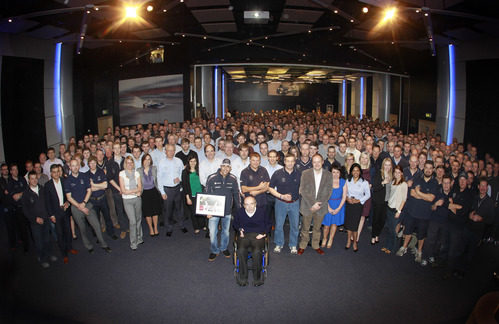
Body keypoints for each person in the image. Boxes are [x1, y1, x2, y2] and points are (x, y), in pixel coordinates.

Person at [64, 159, 111, 254]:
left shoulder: (84, 176)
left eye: (76, 165)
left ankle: (104, 244)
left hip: (88, 204)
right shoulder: (67, 180)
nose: (75, 167)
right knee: (82, 228)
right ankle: (88, 246)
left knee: (97, 225)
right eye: (73, 166)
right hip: (76, 208)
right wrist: (80, 206)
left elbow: (89, 190)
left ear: (79, 166)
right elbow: (69, 197)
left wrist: (84, 203)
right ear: (70, 167)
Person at [396, 160, 438, 263]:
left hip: (424, 215)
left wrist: (419, 192)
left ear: (433, 169)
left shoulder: (434, 182)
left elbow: (431, 198)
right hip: (412, 211)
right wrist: (423, 195)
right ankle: (404, 247)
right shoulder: (417, 179)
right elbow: (412, 193)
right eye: (426, 167)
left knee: (421, 235)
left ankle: (419, 252)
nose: (428, 170)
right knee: (408, 231)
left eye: (430, 168)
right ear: (423, 168)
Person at [205, 158, 241, 261]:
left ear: (230, 168)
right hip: (213, 211)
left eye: (228, 166)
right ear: (220, 166)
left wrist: (239, 210)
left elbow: (236, 194)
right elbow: (206, 194)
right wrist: (207, 211)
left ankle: (224, 248)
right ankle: (214, 250)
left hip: (227, 211)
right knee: (212, 232)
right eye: (223, 166)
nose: (225, 168)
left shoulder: (233, 179)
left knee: (225, 232)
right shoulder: (211, 178)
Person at [297, 154, 333, 255]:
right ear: (312, 163)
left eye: (319, 161)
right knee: (305, 227)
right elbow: (303, 190)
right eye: (314, 162)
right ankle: (303, 245)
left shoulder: (328, 175)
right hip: (307, 205)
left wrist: (318, 204)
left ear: (322, 162)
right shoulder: (305, 173)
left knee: (317, 228)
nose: (317, 164)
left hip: (321, 206)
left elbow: (328, 191)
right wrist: (313, 204)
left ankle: (316, 245)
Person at [21, 172, 56, 268]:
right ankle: (42, 258)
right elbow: (25, 210)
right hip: (35, 222)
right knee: (39, 242)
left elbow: (48, 203)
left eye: (35, 178)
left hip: (45, 219)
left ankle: (49, 254)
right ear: (29, 180)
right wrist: (35, 218)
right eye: (32, 178)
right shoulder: (26, 194)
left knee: (47, 239)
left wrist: (49, 215)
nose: (34, 180)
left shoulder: (42, 189)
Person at [233, 196, 271, 286]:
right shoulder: (240, 212)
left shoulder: (262, 212)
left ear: (255, 204)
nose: (249, 207)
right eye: (246, 204)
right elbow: (235, 223)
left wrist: (264, 233)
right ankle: (243, 278)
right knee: (241, 251)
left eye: (251, 204)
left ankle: (257, 278)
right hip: (244, 235)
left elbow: (269, 224)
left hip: (258, 235)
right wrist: (239, 229)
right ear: (244, 205)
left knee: (257, 252)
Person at [268, 154, 301, 254]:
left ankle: (293, 244)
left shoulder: (299, 174)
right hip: (281, 203)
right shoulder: (277, 173)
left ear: (294, 162)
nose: (290, 163)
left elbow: (302, 187)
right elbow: (270, 188)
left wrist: (297, 194)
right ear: (284, 162)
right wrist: (281, 196)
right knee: (279, 225)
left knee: (295, 225)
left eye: (292, 161)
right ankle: (279, 243)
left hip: (295, 203)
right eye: (288, 161)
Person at [45, 164, 77, 264]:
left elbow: (68, 194)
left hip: (65, 210)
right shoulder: (48, 185)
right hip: (56, 213)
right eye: (54, 172)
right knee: (60, 233)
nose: (56, 174)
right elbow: (47, 202)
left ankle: (69, 247)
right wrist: (51, 215)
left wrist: (68, 202)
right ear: (51, 173)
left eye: (57, 171)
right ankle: (64, 254)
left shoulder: (64, 181)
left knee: (68, 231)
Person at [158, 144, 187, 236]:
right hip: (167, 189)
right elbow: (159, 178)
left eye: (172, 150)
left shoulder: (178, 161)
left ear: (174, 151)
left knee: (180, 208)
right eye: (169, 150)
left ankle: (182, 225)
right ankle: (169, 228)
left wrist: (179, 178)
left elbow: (183, 173)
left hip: (178, 188)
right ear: (165, 151)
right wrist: (162, 192)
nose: (171, 152)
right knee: (168, 210)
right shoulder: (162, 162)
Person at [88, 156, 117, 240]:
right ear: (89, 164)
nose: (93, 164)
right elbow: (90, 189)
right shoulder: (86, 174)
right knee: (96, 220)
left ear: (96, 163)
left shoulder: (101, 172)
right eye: (91, 163)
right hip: (93, 200)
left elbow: (106, 185)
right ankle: (98, 236)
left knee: (107, 217)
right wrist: (99, 186)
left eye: (94, 163)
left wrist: (93, 184)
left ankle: (111, 233)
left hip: (102, 198)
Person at [344, 163, 371, 252]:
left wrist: (359, 200)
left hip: (358, 206)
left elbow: (368, 195)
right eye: (354, 170)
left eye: (357, 170)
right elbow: (345, 192)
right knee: (348, 225)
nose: (355, 172)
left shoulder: (364, 182)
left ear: (360, 172)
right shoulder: (348, 180)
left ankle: (355, 242)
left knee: (355, 226)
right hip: (349, 204)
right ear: (351, 171)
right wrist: (347, 198)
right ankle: (348, 241)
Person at [381, 165, 408, 254]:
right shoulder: (393, 182)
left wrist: (399, 211)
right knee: (389, 228)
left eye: (398, 172)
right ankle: (387, 245)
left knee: (393, 230)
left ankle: (392, 247)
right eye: (395, 172)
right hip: (389, 208)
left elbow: (404, 199)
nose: (397, 174)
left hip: (396, 210)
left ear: (402, 173)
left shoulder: (404, 184)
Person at [119, 156, 143, 250]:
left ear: (133, 164)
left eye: (131, 162)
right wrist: (135, 191)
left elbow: (140, 188)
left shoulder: (136, 173)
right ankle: (133, 243)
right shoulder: (121, 174)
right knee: (132, 221)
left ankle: (139, 237)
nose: (129, 164)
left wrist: (134, 191)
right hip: (127, 200)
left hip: (137, 199)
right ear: (125, 164)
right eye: (127, 162)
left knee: (138, 219)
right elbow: (123, 190)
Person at [321, 165, 347, 249]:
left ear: (340, 173)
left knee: (334, 224)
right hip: (328, 204)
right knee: (326, 225)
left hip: (339, 205)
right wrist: (329, 208)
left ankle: (331, 239)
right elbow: (324, 196)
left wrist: (338, 208)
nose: (335, 174)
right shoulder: (327, 181)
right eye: (334, 172)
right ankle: (324, 238)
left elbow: (344, 197)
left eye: (337, 172)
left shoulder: (343, 182)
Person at [137, 153, 162, 237]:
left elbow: (158, 180)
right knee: (147, 212)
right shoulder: (138, 170)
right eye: (145, 159)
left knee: (155, 211)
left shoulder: (154, 168)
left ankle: (155, 227)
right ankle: (150, 228)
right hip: (144, 193)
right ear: (142, 161)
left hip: (154, 192)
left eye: (149, 159)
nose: (147, 161)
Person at [371, 158, 393, 245]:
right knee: (376, 219)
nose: (387, 167)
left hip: (386, 201)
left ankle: (377, 234)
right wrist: (383, 183)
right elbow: (375, 188)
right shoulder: (379, 174)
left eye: (389, 165)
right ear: (383, 165)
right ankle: (373, 236)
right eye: (386, 165)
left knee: (382, 220)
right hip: (378, 200)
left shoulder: (392, 175)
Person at [182, 153, 205, 234]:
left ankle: (203, 225)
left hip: (201, 194)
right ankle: (196, 227)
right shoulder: (185, 172)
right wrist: (187, 197)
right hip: (191, 195)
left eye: (194, 161)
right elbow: (184, 185)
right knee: (193, 212)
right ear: (188, 162)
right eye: (191, 161)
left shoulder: (200, 170)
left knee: (201, 210)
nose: (193, 163)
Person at [357, 152, 373, 242]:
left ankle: (357, 235)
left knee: (362, 217)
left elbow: (372, 184)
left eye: (366, 158)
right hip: (355, 197)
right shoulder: (355, 169)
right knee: (355, 216)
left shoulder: (371, 171)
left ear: (368, 160)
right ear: (359, 159)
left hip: (366, 198)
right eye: (362, 158)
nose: (364, 160)